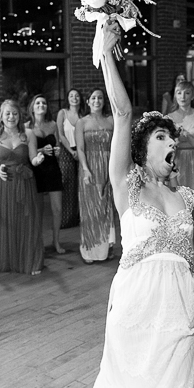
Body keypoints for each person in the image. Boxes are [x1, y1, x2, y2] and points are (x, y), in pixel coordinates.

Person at [83, 21, 194, 388]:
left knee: (178, 384)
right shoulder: (128, 187)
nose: (171, 141)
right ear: (142, 151)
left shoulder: (185, 197)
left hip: (181, 303)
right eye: (161, 137)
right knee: (137, 383)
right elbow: (123, 113)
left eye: (172, 136)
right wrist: (106, 53)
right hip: (136, 304)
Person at [0, 100, 44, 275]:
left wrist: (37, 160)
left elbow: (32, 158)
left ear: (20, 116)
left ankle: (30, 260)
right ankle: (9, 260)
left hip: (25, 181)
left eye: (15, 113)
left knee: (28, 220)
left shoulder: (29, 134)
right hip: (6, 182)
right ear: (1, 117)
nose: (11, 117)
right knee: (7, 222)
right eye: (8, 114)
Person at [76, 88, 115, 264]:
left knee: (106, 207)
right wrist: (85, 169)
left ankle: (106, 248)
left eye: (100, 97)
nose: (97, 100)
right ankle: (90, 249)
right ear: (88, 101)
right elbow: (80, 149)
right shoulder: (82, 123)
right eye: (93, 98)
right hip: (90, 166)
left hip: (108, 166)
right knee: (91, 207)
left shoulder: (111, 121)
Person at [27, 94, 66, 254]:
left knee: (57, 208)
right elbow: (26, 152)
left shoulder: (52, 125)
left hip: (52, 168)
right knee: (38, 209)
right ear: (32, 107)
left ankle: (56, 241)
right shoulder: (26, 127)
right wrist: (40, 150)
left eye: (43, 102)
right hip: (36, 169)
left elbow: (57, 147)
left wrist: (57, 151)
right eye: (38, 103)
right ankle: (38, 242)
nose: (41, 105)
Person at [56, 88, 84, 229]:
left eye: (77, 96)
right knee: (67, 184)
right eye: (71, 95)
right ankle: (66, 219)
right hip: (66, 152)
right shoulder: (63, 113)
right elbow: (60, 134)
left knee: (80, 185)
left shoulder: (83, 115)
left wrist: (79, 152)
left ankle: (78, 217)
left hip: (82, 152)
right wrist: (71, 151)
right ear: (68, 98)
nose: (74, 98)